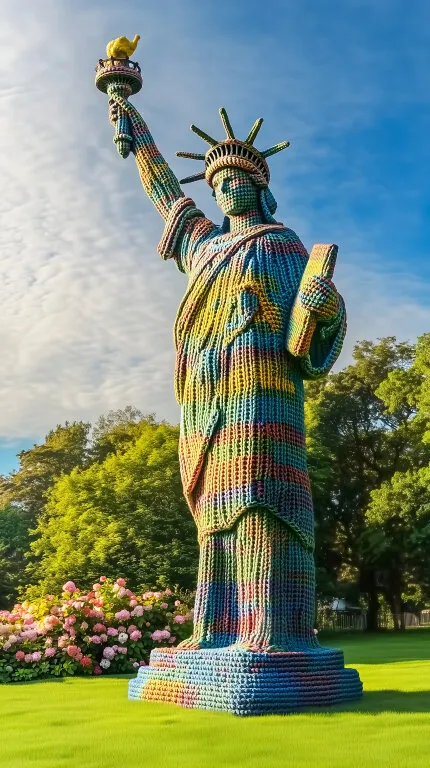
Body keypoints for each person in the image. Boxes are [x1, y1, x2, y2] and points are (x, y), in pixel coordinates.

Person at [106, 99, 346, 652]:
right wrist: (128, 113)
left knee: (262, 498)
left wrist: (322, 304)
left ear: (260, 185)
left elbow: (307, 340)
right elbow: (164, 189)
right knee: (216, 512)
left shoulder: (281, 244)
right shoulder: (203, 246)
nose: (225, 188)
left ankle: (271, 631)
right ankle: (212, 629)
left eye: (236, 177)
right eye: (217, 182)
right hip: (209, 395)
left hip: (264, 392)